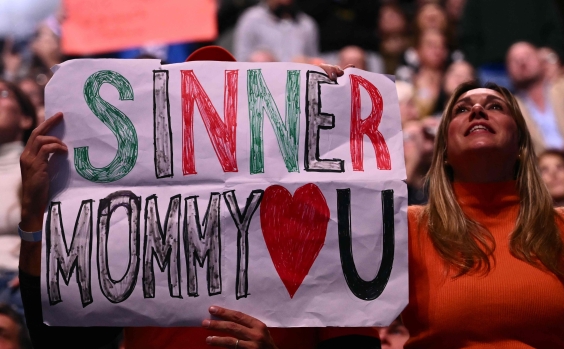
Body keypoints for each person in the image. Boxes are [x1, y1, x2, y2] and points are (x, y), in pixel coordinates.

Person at [18, 46, 380, 349]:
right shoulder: (134, 238)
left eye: (228, 106)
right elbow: (59, 343)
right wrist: (34, 217)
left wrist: (338, 113)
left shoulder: (315, 227)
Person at [402, 81, 564, 348]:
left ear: (520, 146)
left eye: (495, 106)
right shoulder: (406, 228)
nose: (478, 110)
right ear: (444, 151)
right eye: (461, 110)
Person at [506, 42, 564, 154]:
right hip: (539, 164)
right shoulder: (508, 105)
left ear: (541, 61)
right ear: (508, 71)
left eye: (527, 57)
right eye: (515, 61)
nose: (522, 62)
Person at [0, 79, 36, 314]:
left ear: (25, 118)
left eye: (2, 93)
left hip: (17, 289)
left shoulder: (40, 171)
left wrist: (33, 278)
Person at [233, 0, 319, 62]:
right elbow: (239, 59)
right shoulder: (251, 19)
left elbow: (314, 58)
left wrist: (308, 62)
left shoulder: (306, 24)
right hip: (263, 81)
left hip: (297, 81)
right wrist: (255, 59)